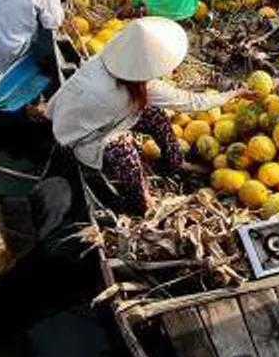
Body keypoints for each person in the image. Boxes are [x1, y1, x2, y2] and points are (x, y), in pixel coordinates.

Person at [42, 17, 241, 214]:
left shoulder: (103, 61)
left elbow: (70, 88)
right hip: (84, 138)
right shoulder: (147, 88)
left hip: (81, 120)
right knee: (125, 152)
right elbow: (193, 102)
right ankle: (139, 202)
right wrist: (234, 94)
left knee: (154, 115)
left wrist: (49, 110)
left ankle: (174, 161)